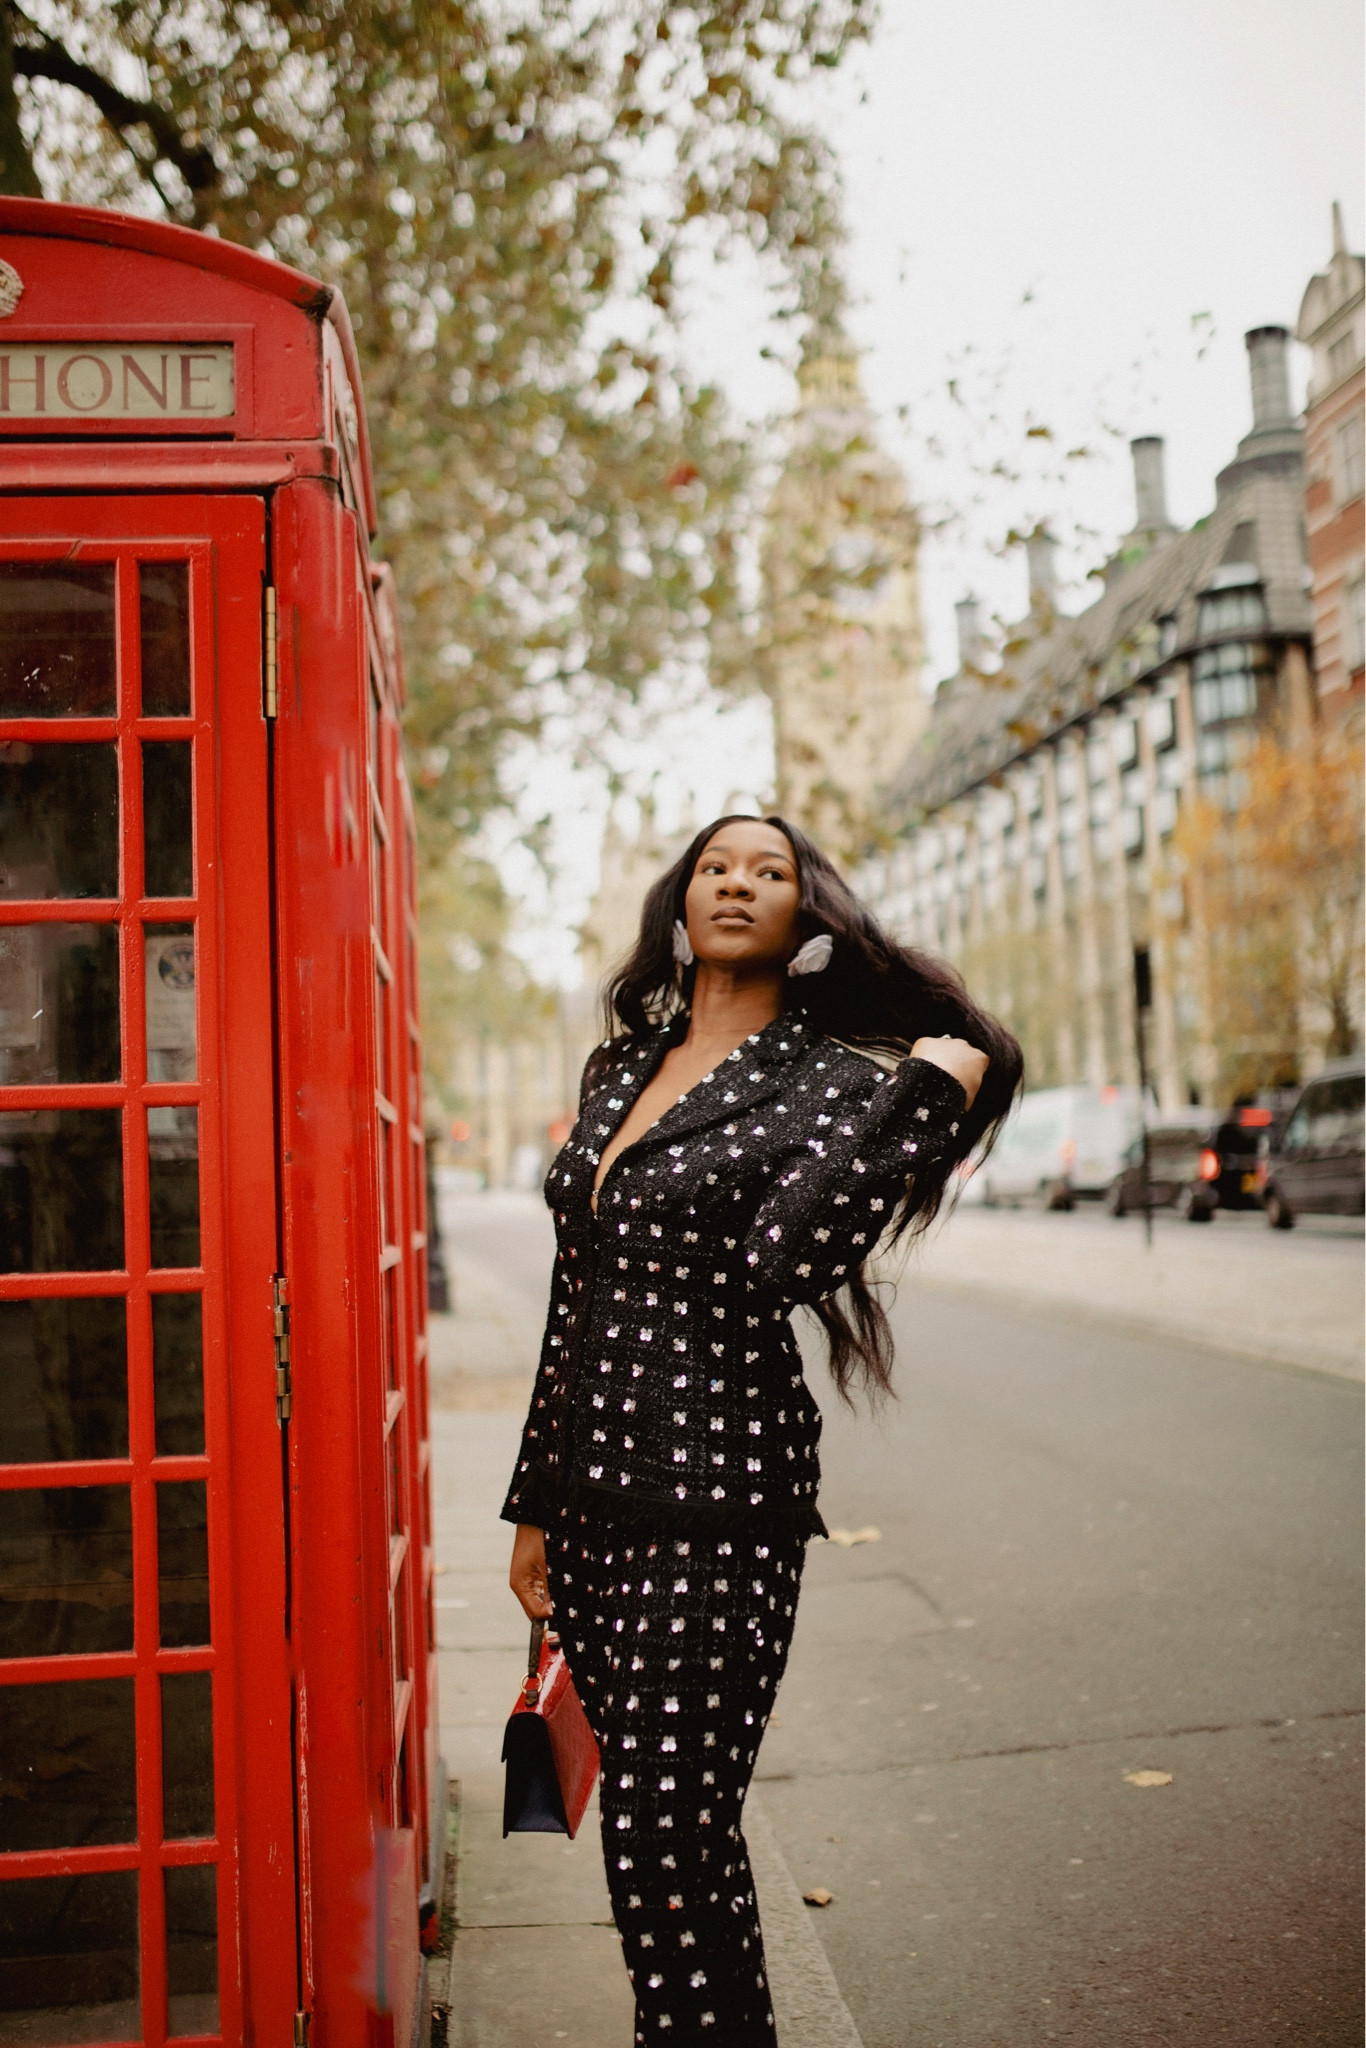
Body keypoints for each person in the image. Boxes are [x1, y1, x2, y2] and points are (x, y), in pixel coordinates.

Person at [503, 813, 1022, 2044]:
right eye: (714, 866)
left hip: (716, 1501)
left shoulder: (833, 1081)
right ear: (679, 905)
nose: (737, 882)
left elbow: (785, 1258)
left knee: (666, 1831)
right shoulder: (617, 1066)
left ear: (805, 917)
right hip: (591, 1501)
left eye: (769, 870)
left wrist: (926, 1094)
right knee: (656, 1838)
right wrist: (532, 1502)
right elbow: (576, 1293)